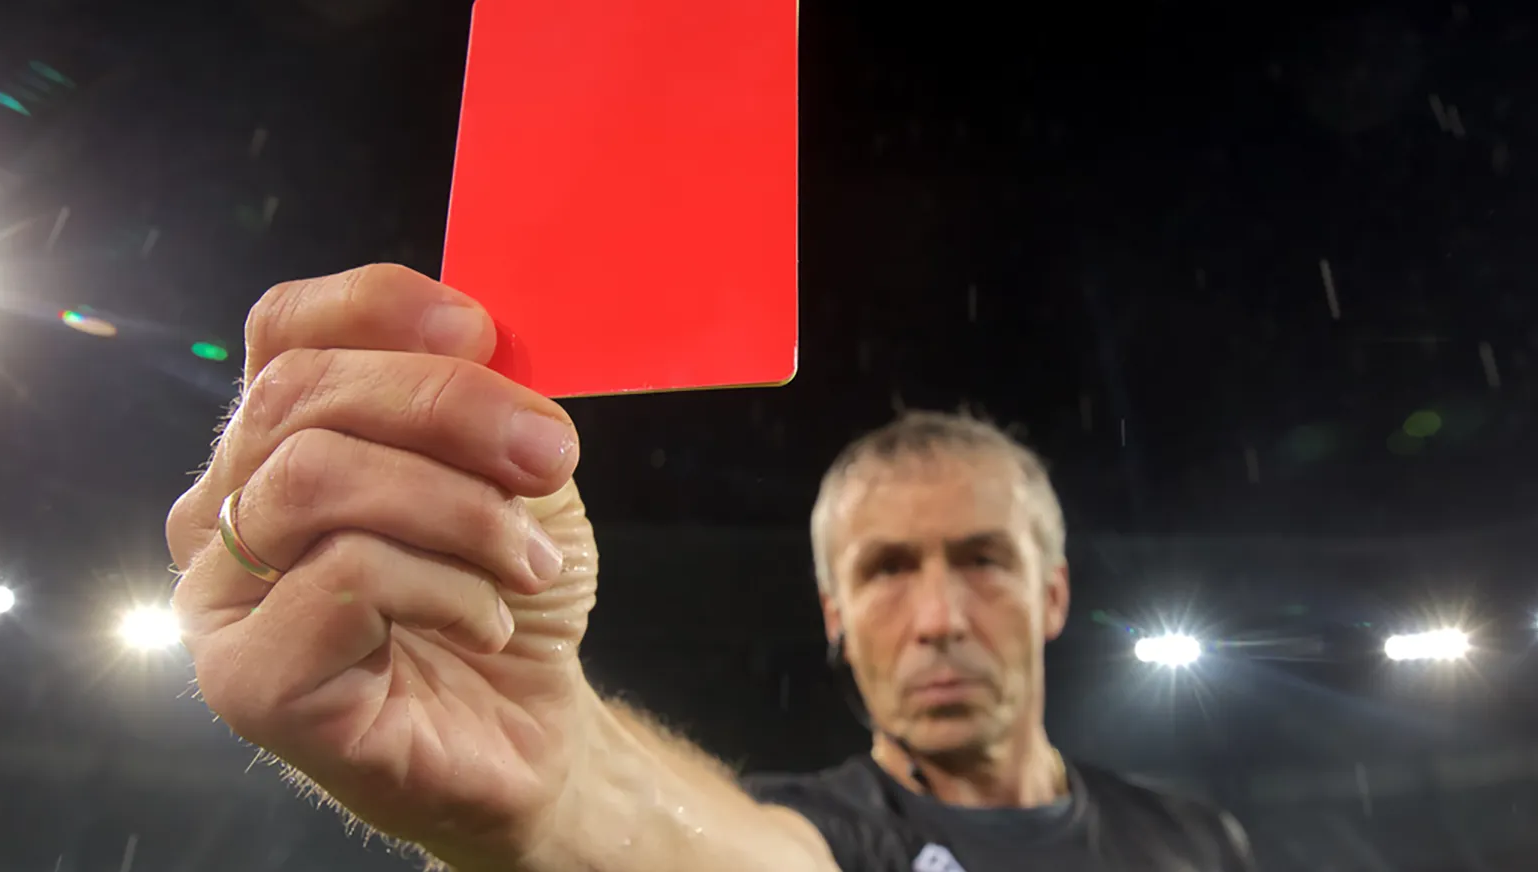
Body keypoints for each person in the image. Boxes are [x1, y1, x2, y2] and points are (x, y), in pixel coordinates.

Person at [166, 263, 1254, 872]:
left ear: (1054, 593)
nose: (935, 617)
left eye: (981, 561)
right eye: (883, 571)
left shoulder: (1199, 844)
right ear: (832, 614)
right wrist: (558, 783)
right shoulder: (819, 835)